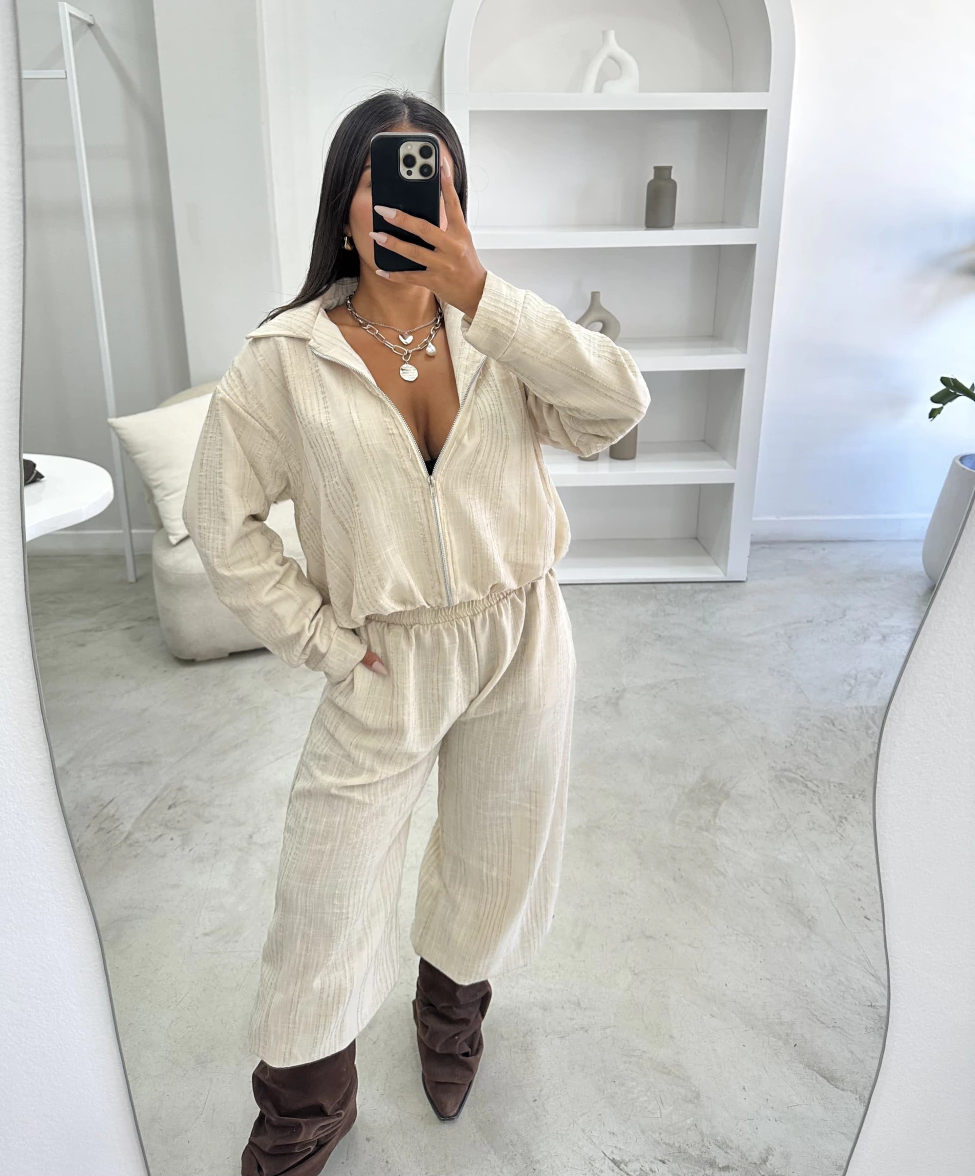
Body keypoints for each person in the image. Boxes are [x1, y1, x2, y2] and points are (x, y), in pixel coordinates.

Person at [182, 88, 651, 1174]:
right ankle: (305, 1104)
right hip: (383, 655)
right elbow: (221, 518)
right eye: (379, 177)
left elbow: (616, 407)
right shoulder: (286, 357)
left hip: (519, 635)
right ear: (343, 206)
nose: (404, 199)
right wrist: (318, 639)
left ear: (458, 202)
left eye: (431, 178)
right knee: (327, 885)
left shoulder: (501, 335)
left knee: (494, 853)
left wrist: (485, 295)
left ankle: (450, 1017)